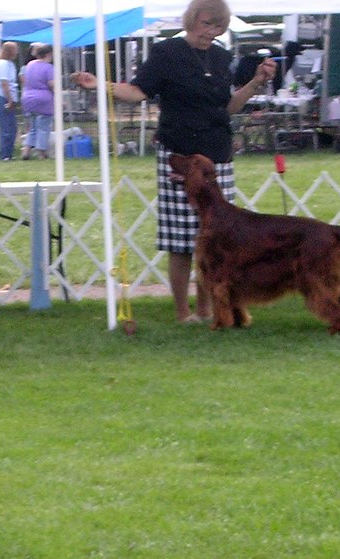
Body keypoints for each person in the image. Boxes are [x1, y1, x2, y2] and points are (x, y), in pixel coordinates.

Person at [71, 0, 275, 323]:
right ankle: (183, 312)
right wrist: (100, 85)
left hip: (217, 157)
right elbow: (138, 92)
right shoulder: (167, 52)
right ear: (191, 20)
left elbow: (228, 108)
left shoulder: (222, 57)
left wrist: (255, 83)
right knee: (180, 241)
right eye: (207, 24)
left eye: (218, 26)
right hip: (180, 157)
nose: (211, 32)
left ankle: (207, 309)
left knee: (215, 240)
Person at [21, 43, 55, 160]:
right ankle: (41, 153)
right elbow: (52, 84)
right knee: (43, 127)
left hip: (28, 98)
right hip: (43, 99)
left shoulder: (30, 65)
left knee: (33, 127)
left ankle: (26, 151)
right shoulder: (48, 67)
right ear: (49, 54)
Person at [0, 42, 19, 161]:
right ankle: (4, 154)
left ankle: (9, 153)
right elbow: (4, 83)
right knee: (6, 126)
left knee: (12, 126)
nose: (17, 52)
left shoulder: (9, 64)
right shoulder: (2, 64)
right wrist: (10, 99)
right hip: (1, 96)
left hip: (7, 96)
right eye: (15, 50)